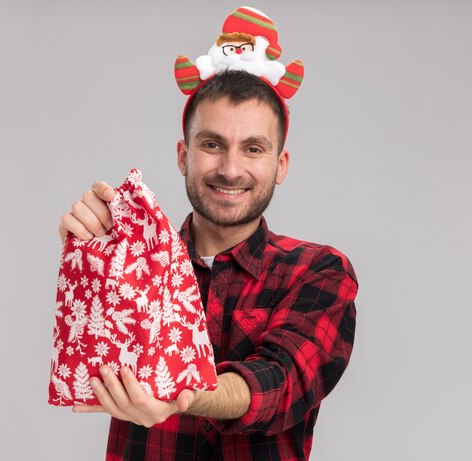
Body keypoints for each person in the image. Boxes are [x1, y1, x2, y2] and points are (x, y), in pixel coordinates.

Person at [58, 69, 358, 460]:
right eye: (213, 144)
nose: (231, 169)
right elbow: (92, 348)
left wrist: (182, 394)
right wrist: (87, 256)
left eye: (253, 148)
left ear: (280, 165)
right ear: (184, 155)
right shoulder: (134, 264)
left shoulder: (318, 272)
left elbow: (281, 382)